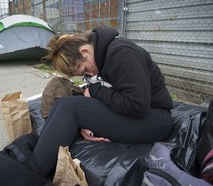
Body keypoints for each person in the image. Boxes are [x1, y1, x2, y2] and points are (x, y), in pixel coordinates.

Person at [33, 25, 173, 177]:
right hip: (134, 115)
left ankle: (31, 176)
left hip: (155, 120)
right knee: (62, 103)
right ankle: (35, 160)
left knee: (70, 107)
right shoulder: (98, 59)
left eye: (85, 70)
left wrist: (95, 91)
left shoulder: (121, 53)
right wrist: (86, 123)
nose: (89, 74)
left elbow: (137, 105)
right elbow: (101, 96)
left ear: (85, 52)